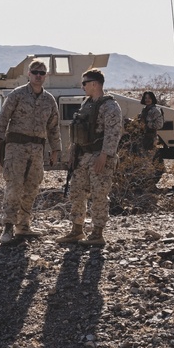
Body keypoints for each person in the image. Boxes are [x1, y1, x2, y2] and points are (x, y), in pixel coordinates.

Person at [0, 59, 61, 244]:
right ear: (28, 74)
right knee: (14, 186)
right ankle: (7, 227)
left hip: (37, 149)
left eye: (42, 73)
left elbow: (53, 127)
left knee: (31, 187)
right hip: (16, 148)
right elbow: (3, 116)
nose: (38, 75)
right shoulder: (18, 94)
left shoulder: (49, 100)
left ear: (46, 76)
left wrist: (56, 149)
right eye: (35, 72)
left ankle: (23, 226)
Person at [57, 69, 123, 247]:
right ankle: (77, 230)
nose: (82, 87)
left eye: (84, 83)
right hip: (82, 156)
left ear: (94, 84)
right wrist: (72, 154)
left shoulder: (110, 106)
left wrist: (104, 156)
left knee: (99, 194)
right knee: (77, 192)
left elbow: (113, 134)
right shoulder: (87, 103)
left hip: (99, 156)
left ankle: (97, 233)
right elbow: (78, 130)